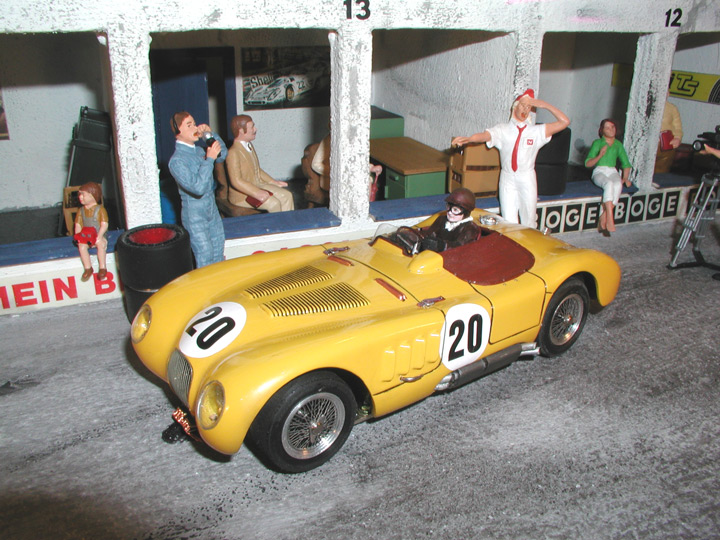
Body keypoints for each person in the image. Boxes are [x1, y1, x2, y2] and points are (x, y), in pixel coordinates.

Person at [452, 89, 570, 228]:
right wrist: (469, 139)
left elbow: (564, 121)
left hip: (526, 177)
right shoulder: (503, 130)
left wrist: (544, 105)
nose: (525, 110)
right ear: (515, 106)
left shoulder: (536, 131)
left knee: (529, 218)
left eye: (529, 107)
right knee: (508, 220)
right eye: (523, 105)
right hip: (507, 178)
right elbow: (485, 136)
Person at [168, 111, 227, 268]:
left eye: (194, 124)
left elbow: (222, 155)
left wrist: (209, 135)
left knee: (218, 250)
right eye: (189, 125)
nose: (195, 128)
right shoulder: (177, 161)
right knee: (205, 255)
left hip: (211, 208)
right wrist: (209, 160)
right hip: (195, 214)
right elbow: (198, 188)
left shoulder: (200, 151)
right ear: (178, 131)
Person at [225, 114, 294, 213]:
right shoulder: (233, 153)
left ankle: (287, 222)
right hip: (242, 194)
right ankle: (276, 223)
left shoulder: (249, 145)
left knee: (287, 196)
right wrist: (256, 192)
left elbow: (256, 169)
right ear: (241, 131)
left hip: (258, 184)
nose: (255, 129)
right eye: (252, 127)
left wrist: (272, 181)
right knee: (273, 204)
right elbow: (236, 181)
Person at [585, 118, 632, 236]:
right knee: (609, 184)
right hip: (599, 170)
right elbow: (588, 163)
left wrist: (625, 177)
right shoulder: (597, 143)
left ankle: (604, 215)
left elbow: (626, 163)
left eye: (612, 127)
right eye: (607, 128)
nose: (611, 130)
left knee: (618, 184)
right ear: (602, 130)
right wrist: (600, 155)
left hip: (612, 170)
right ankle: (610, 218)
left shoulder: (618, 145)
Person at [418, 188, 480, 252]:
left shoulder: (470, 228)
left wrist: (441, 246)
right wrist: (418, 236)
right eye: (448, 207)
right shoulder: (442, 220)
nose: (450, 213)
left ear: (465, 212)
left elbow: (460, 247)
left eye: (455, 210)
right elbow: (429, 234)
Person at [73, 181, 108, 282]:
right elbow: (78, 225)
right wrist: (78, 236)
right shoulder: (81, 211)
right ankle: (88, 268)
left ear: (92, 195)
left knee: (101, 245)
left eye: (83, 194)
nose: (80, 197)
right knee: (82, 246)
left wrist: (99, 236)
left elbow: (104, 225)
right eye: (80, 194)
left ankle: (102, 267)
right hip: (86, 236)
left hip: (98, 235)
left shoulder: (100, 210)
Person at [654, 91, 683, 174]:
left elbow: (678, 128)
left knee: (662, 168)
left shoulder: (672, 109)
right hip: (650, 143)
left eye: (665, 92)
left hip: (666, 144)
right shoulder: (647, 105)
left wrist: (677, 138)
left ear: (668, 94)